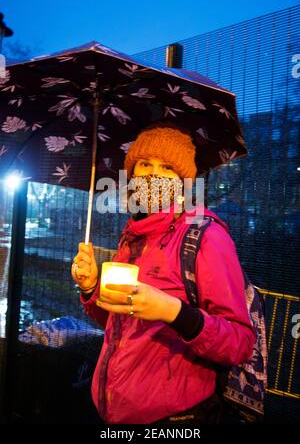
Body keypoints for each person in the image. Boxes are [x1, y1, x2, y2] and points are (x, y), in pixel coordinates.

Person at [71, 124, 256, 425]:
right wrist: (92, 289)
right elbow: (121, 324)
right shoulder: (133, 236)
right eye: (145, 164)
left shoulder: (205, 236)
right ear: (131, 174)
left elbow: (239, 342)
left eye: (167, 167)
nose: (153, 175)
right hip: (113, 411)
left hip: (175, 419)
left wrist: (173, 312)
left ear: (184, 181)